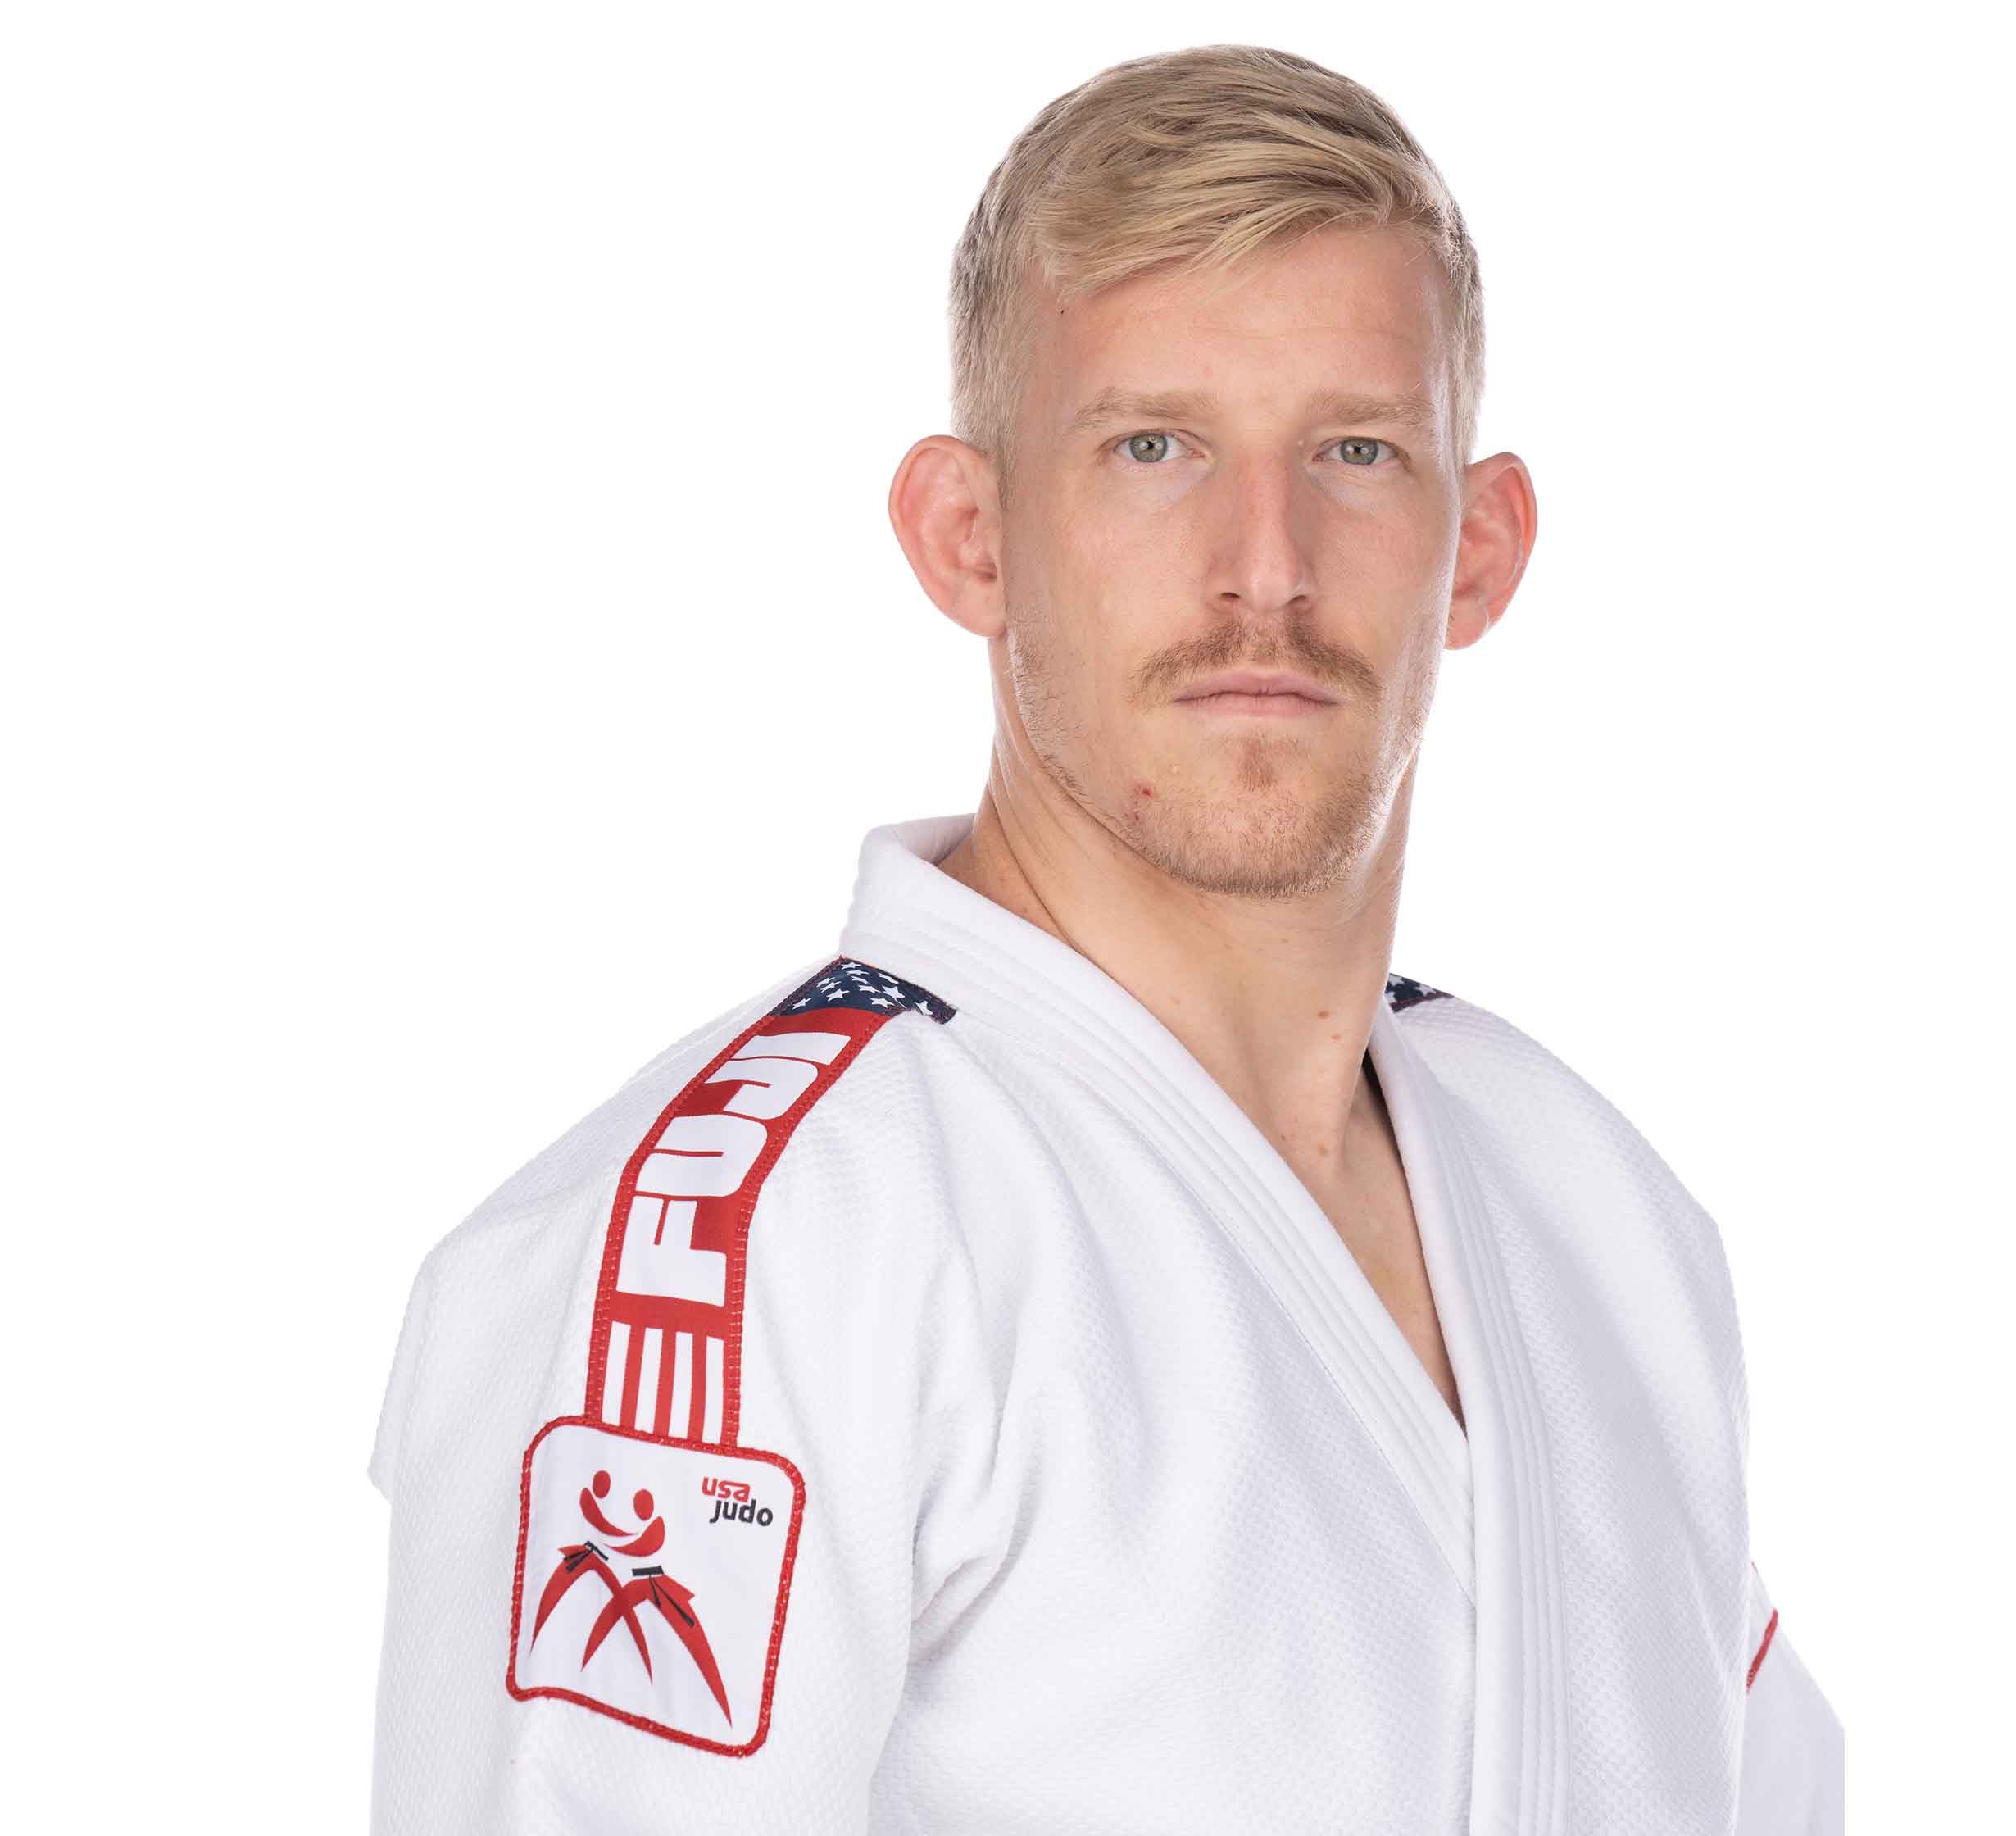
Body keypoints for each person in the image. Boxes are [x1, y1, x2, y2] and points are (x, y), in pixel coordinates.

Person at [367, 42, 1842, 1834]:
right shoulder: (758, 1245)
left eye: (1359, 451)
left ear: (1481, 545)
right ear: (968, 535)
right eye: (1155, 448)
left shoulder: (1593, 1205)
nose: (1266, 565)